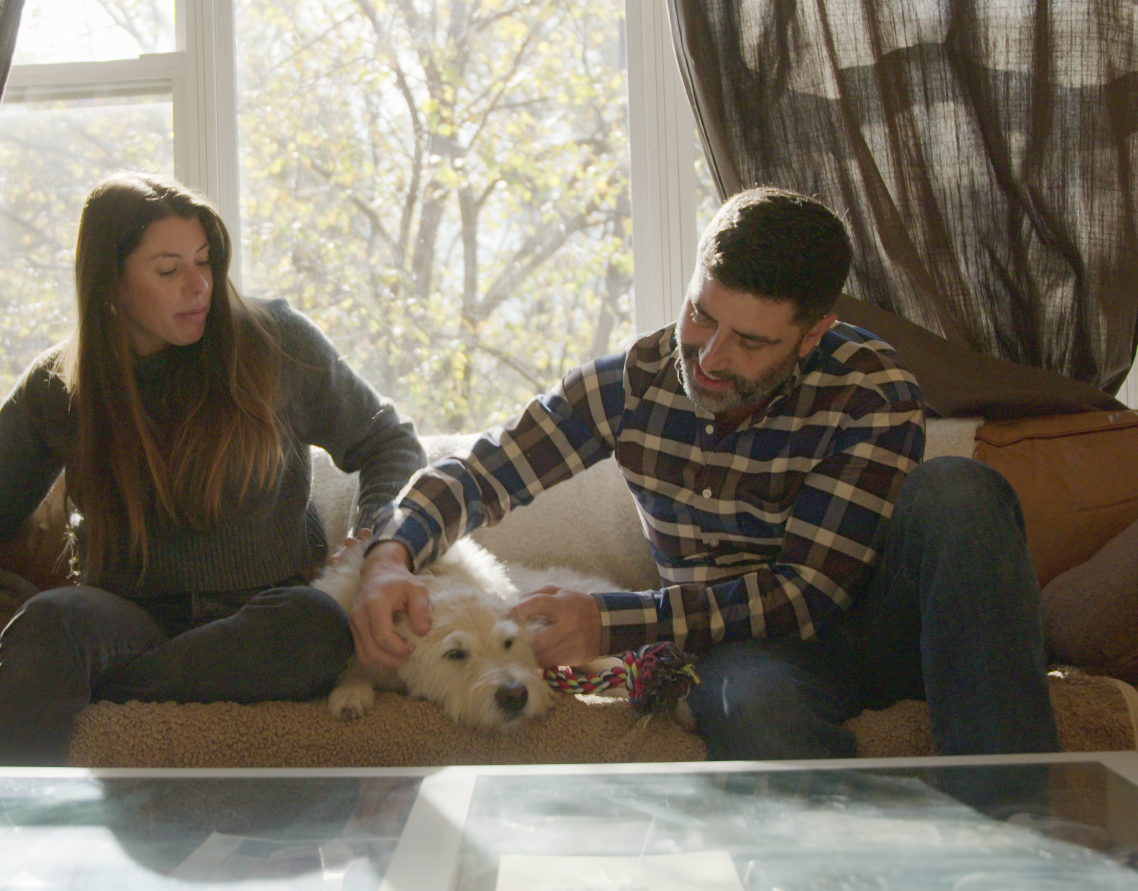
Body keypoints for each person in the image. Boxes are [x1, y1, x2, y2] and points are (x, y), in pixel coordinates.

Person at [349, 186, 1060, 760]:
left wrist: (612, 620)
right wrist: (390, 553)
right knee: (753, 704)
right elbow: (476, 475)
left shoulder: (869, 386)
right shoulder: (632, 382)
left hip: (877, 624)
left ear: (812, 335)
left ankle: (1015, 837)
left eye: (750, 340)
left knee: (961, 489)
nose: (711, 357)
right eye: (701, 314)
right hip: (745, 652)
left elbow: (807, 596)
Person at [0, 171, 425, 765]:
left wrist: (382, 543)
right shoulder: (60, 386)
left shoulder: (273, 342)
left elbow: (386, 441)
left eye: (205, 260)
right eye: (168, 269)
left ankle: (55, 689)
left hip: (262, 614)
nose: (199, 286)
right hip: (130, 616)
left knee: (315, 626)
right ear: (112, 283)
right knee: (52, 619)